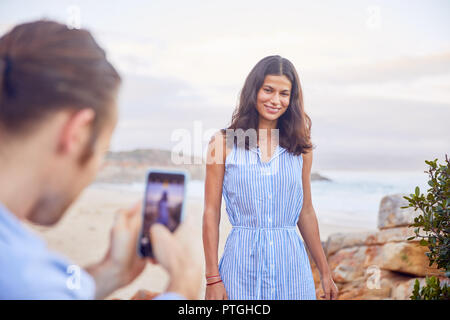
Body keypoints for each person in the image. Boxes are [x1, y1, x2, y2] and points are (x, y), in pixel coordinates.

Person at [0, 20, 200, 300]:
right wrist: (186, 277)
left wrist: (111, 271)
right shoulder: (22, 276)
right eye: (103, 150)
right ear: (78, 133)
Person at [202, 55, 339, 300]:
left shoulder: (301, 148)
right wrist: (213, 278)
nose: (275, 100)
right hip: (240, 270)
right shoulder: (222, 144)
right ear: (253, 90)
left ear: (292, 98)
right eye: (268, 90)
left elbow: (305, 211)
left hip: (293, 270)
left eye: (284, 93)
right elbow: (211, 213)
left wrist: (325, 272)